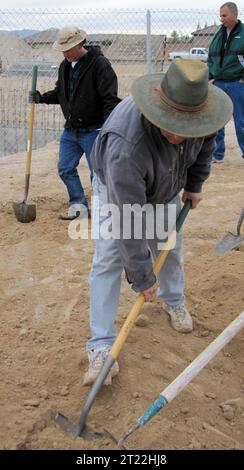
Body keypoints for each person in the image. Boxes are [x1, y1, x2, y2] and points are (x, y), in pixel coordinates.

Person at [82, 58, 233, 386]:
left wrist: (195, 183)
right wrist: (140, 276)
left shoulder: (204, 116)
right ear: (157, 112)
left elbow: (205, 147)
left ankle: (173, 300)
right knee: (109, 258)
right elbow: (128, 220)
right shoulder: (127, 146)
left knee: (170, 246)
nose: (180, 136)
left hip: (166, 185)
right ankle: (101, 345)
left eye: (187, 128)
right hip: (118, 190)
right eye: (173, 127)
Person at [30, 25, 121, 219]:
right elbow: (61, 93)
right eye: (62, 49)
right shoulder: (65, 66)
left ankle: (101, 209)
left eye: (68, 48)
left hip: (95, 130)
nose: (64, 52)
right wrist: (42, 98)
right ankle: (78, 205)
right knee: (65, 168)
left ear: (80, 44)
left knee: (98, 173)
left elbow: (110, 100)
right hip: (71, 130)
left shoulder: (99, 65)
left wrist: (109, 130)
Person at [208, 2, 244, 163]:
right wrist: (210, 76)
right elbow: (211, 57)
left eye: (224, 15)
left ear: (235, 14)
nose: (221, 19)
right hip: (218, 84)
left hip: (238, 84)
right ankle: (217, 155)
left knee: (241, 122)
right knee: (217, 121)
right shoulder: (218, 35)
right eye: (220, 15)